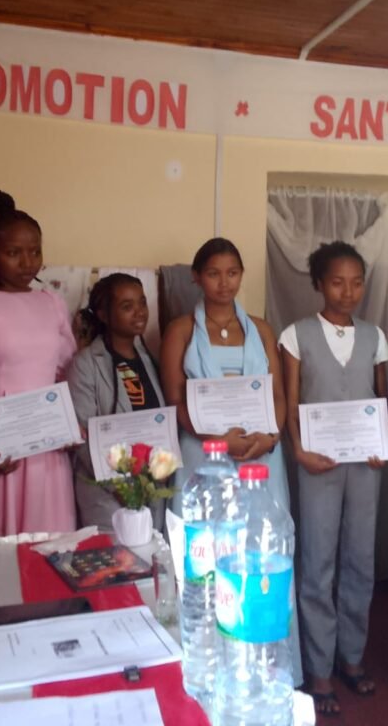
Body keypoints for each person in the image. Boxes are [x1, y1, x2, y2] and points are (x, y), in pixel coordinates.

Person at [160, 236, 302, 685]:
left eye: (233, 273)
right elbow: (175, 400)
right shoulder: (181, 330)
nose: (225, 283)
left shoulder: (261, 329)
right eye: (214, 274)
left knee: (261, 555)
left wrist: (269, 436)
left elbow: (277, 395)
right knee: (205, 558)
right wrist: (217, 439)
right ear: (196, 278)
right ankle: (202, 670)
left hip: (260, 457)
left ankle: (265, 670)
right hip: (203, 458)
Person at [279, 241, 388, 716]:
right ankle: (319, 666)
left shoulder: (375, 337)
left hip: (365, 464)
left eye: (357, 282)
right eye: (338, 282)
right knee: (318, 561)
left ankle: (352, 656)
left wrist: (383, 444)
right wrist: (299, 450)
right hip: (317, 462)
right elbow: (290, 402)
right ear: (319, 284)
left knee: (360, 559)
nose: (348, 292)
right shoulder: (296, 335)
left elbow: (383, 400)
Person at [0, 190, 78, 549]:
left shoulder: (51, 303)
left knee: (47, 547)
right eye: (14, 252)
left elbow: (65, 372)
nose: (27, 263)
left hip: (46, 450)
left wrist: (69, 425)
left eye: (35, 251)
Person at [68, 273, 168, 529]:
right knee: (114, 553)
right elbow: (82, 437)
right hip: (106, 494)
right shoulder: (86, 364)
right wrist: (121, 487)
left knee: (151, 551)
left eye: (142, 302)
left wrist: (157, 476)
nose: (139, 312)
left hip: (151, 488)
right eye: (127, 306)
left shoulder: (150, 360)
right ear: (103, 314)